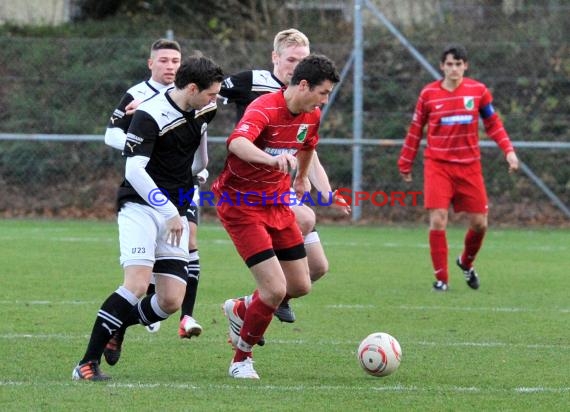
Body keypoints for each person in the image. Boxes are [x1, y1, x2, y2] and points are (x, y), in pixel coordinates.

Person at [72, 55, 224, 381]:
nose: (216, 99)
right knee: (138, 284)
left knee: (169, 300)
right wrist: (170, 211)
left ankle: (119, 326)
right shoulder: (149, 114)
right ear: (193, 88)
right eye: (211, 93)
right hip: (141, 206)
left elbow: (199, 146)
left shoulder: (205, 107)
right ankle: (86, 364)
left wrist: (199, 173)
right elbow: (134, 170)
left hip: (177, 208)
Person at [213, 54, 340, 379]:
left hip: (277, 204)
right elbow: (237, 143)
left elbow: (308, 145)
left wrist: (302, 178)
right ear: (302, 85)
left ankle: (241, 308)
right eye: (323, 92)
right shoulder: (264, 108)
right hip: (240, 204)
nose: (325, 100)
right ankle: (241, 359)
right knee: (272, 290)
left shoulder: (311, 114)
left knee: (299, 285)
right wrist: (270, 162)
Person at [218, 28, 349, 325]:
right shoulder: (253, 84)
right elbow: (204, 92)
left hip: (281, 187)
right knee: (304, 218)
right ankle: (267, 295)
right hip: (254, 187)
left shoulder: (310, 102)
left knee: (317, 269)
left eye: (303, 58)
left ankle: (256, 303)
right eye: (291, 58)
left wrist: (326, 192)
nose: (296, 64)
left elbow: (308, 151)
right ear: (275, 58)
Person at [104, 38, 204, 342]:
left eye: (175, 61)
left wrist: (200, 167)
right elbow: (111, 133)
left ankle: (186, 315)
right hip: (148, 184)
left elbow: (201, 136)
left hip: (183, 182)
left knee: (191, 239)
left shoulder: (194, 93)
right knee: (148, 259)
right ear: (151, 64)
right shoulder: (137, 94)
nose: (170, 66)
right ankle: (147, 300)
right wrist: (143, 150)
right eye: (163, 61)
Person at [397, 44, 519, 292]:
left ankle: (466, 262)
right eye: (449, 64)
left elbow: (493, 124)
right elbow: (415, 129)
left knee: (480, 223)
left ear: (465, 66)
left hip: (469, 166)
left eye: (458, 64)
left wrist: (509, 151)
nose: (454, 68)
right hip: (437, 165)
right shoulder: (429, 94)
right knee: (438, 220)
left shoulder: (478, 91)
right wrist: (405, 161)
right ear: (442, 66)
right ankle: (442, 280)